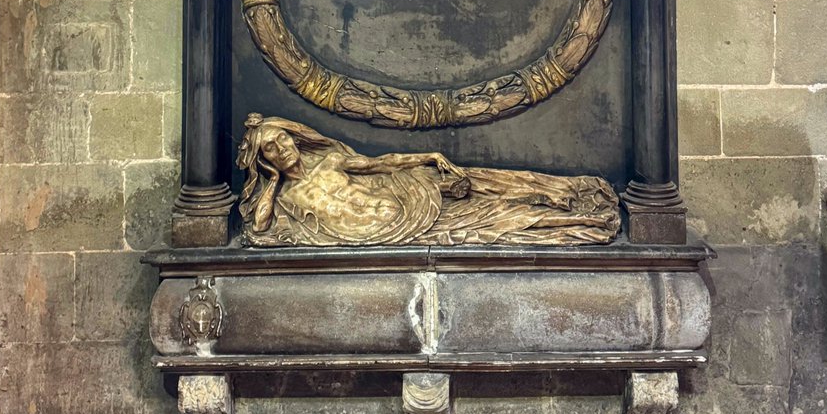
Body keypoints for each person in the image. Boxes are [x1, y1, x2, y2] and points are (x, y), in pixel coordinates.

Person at [236, 114, 620, 247]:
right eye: (270, 149)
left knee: (486, 189)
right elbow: (259, 226)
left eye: (283, 138)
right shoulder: (284, 195)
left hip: (412, 206)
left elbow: (383, 163)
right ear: (263, 159)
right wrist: (270, 182)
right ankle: (583, 223)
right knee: (496, 224)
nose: (282, 148)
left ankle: (559, 197)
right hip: (394, 235)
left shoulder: (332, 161)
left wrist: (430, 156)